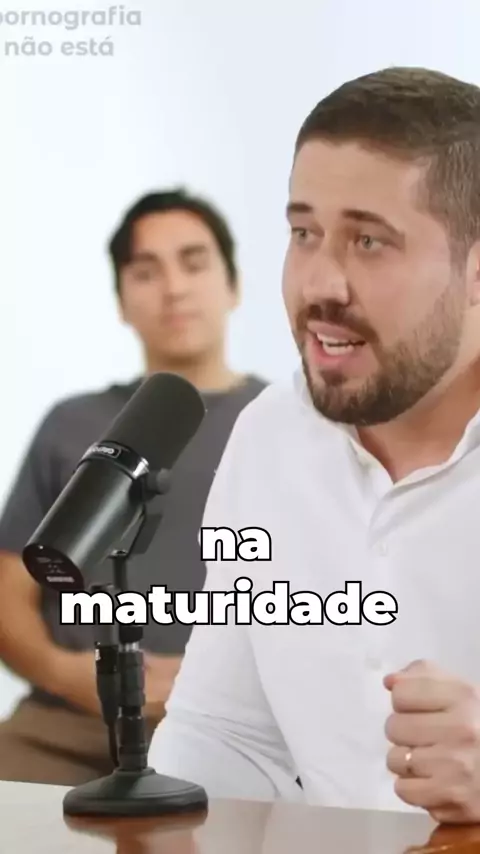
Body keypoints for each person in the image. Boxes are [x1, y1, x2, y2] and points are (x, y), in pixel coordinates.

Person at [149, 68, 480, 826]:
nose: (321, 283)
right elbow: (226, 732)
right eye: (304, 234)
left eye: (370, 241)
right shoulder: (270, 434)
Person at [0, 187, 267, 785]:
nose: (173, 288)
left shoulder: (288, 425)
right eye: (146, 271)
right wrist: (68, 675)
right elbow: (7, 591)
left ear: (233, 285)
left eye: (193, 263)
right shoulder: (71, 425)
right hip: (68, 720)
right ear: (121, 301)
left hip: (232, 729)